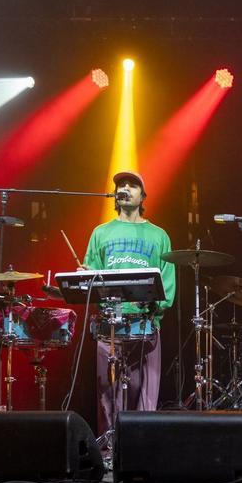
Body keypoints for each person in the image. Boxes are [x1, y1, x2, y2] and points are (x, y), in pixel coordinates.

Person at [82, 171, 176, 440]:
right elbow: (93, 277)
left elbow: (167, 283)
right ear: (115, 195)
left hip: (145, 325)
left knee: (144, 393)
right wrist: (86, 276)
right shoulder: (101, 232)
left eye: (132, 185)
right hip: (110, 325)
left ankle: (143, 447)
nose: (125, 188)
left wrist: (156, 308)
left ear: (143, 196)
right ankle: (109, 449)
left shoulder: (158, 235)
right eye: (121, 185)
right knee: (107, 394)